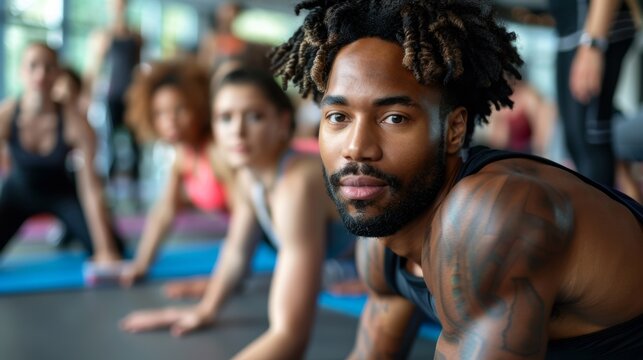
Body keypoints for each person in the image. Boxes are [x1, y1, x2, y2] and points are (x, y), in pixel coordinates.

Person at [270, 0, 643, 358]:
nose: (357, 148)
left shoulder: (490, 217)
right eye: (338, 117)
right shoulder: (385, 234)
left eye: (394, 118)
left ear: (453, 130)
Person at [120, 68, 358, 359]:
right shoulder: (250, 176)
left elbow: (290, 336)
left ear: (283, 123)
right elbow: (236, 251)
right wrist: (205, 310)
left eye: (254, 116)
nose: (237, 131)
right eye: (225, 118)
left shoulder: (297, 181)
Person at [0, 42, 124, 263]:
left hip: (61, 195)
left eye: (48, 67)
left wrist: (105, 250)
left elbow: (90, 188)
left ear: (58, 74)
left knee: (115, 249)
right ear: (21, 71)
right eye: (33, 66)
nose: (41, 73)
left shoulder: (74, 123)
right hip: (17, 195)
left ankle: (71, 231)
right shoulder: (7, 115)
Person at [117, 60, 231, 293]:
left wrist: (217, 284)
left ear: (199, 107)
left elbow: (249, 219)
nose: (170, 120)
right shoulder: (183, 155)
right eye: (160, 113)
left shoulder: (217, 151)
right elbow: (164, 211)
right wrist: (141, 263)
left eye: (180, 109)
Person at [549, 0, 637, 187]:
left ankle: (609, 215)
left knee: (590, 146)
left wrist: (594, 43)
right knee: (577, 144)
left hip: (592, 31)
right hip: (571, 31)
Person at [85, 0, 143, 184]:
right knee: (110, 141)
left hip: (132, 94)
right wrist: (87, 94)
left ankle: (135, 183)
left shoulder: (135, 36)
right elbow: (95, 68)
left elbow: (138, 67)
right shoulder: (103, 35)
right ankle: (110, 184)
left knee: (136, 141)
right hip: (112, 94)